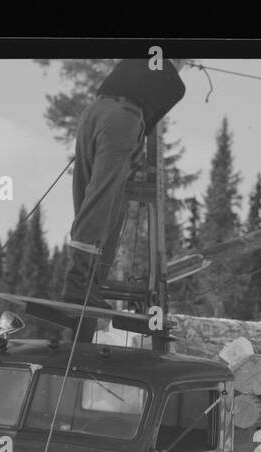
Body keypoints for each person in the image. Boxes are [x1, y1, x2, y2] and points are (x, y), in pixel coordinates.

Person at [61, 57, 185, 307]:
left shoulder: (138, 56)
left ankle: (82, 281)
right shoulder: (176, 86)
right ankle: (81, 283)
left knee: (88, 199)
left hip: (92, 112)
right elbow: (146, 127)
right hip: (123, 120)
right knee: (103, 202)